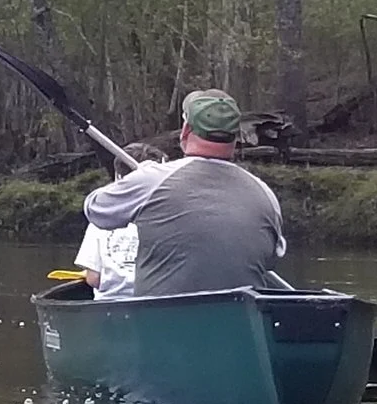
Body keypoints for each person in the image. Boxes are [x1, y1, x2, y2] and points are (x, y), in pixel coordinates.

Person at [79, 89, 285, 298]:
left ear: (185, 130)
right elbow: (271, 260)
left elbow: (95, 209)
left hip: (161, 322)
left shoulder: (152, 179)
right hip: (240, 323)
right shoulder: (265, 194)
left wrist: (138, 179)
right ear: (237, 137)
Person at [73, 146, 149, 297]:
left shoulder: (100, 217)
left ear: (118, 177)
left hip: (109, 307)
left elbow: (94, 279)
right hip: (153, 303)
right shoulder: (167, 216)